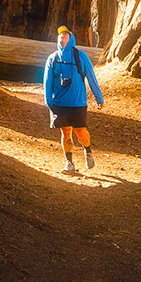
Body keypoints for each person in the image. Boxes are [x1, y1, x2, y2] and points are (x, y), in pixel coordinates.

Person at [44, 24, 104, 175]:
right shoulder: (52, 58)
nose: (62, 36)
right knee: (65, 132)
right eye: (60, 35)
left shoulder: (80, 56)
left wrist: (99, 97)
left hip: (77, 102)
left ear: (71, 38)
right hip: (59, 103)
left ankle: (88, 150)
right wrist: (48, 102)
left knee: (80, 132)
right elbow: (47, 81)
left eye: (65, 34)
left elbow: (91, 76)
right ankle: (69, 163)